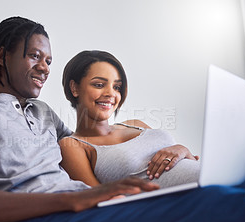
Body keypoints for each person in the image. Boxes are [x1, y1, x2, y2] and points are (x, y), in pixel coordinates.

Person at [0, 16, 245, 222]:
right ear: (2, 56)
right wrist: (73, 200)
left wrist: (177, 150)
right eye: (35, 56)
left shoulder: (43, 113)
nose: (45, 68)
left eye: (49, 60)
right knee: (214, 202)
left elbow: (89, 137)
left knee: (244, 186)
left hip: (81, 208)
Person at [59, 50, 200, 188]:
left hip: (210, 179)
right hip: (193, 201)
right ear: (74, 88)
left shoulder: (136, 124)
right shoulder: (72, 146)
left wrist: (182, 150)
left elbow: (188, 162)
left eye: (117, 87)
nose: (111, 94)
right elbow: (98, 199)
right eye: (99, 85)